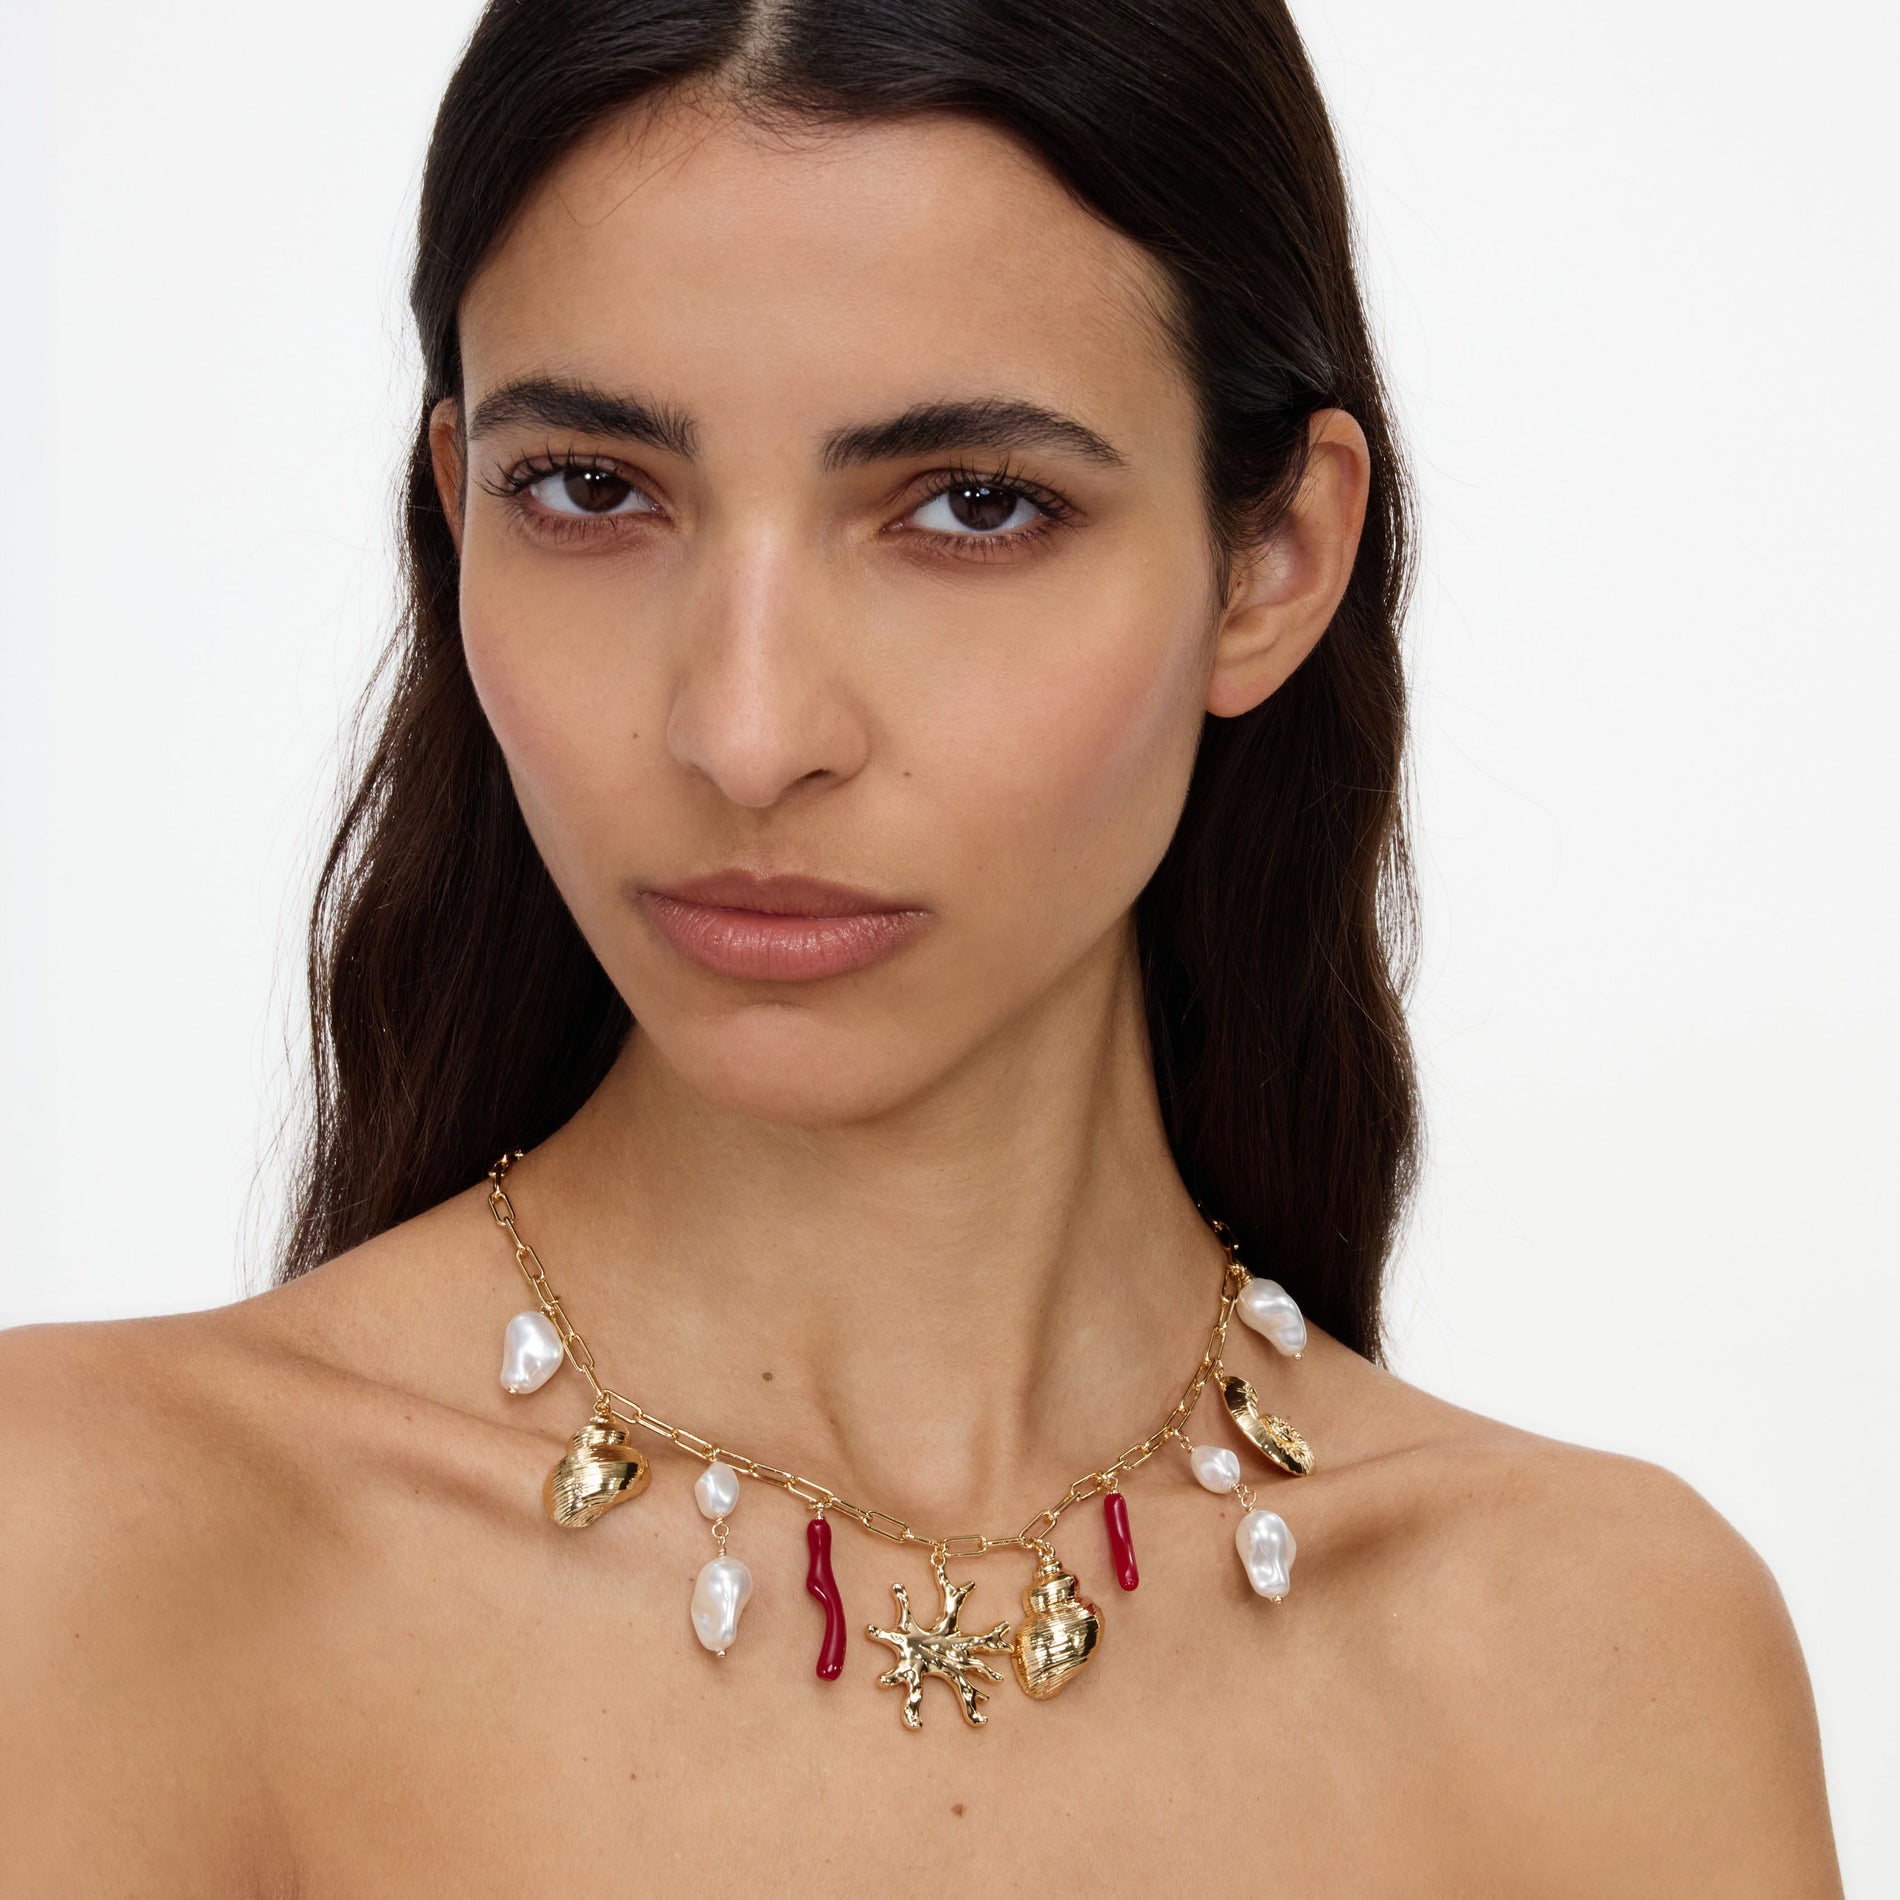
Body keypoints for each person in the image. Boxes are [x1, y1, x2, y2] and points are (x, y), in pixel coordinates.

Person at [0, 2, 1842, 1891]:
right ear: (458, 499)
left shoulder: (1607, 1672)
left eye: (972, 505)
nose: (745, 726)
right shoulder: (81, 1563)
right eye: (593, 488)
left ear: (1273, 559)